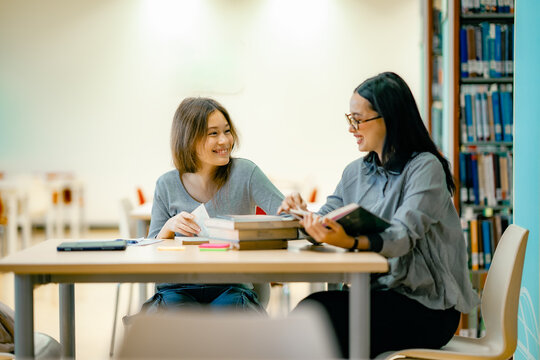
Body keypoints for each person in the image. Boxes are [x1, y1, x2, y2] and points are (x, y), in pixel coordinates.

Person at [278, 72, 479, 358]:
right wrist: (296, 214)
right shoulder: (355, 173)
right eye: (350, 119)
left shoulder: (425, 168)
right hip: (376, 296)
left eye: (358, 120)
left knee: (318, 316)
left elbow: (402, 237)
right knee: (313, 314)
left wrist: (352, 242)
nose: (352, 128)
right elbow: (323, 216)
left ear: (389, 118)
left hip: (427, 308)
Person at [142, 97, 284, 313]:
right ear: (189, 139)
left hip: (232, 286)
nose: (225, 141)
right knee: (174, 318)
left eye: (227, 131)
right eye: (213, 133)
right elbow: (151, 251)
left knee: (228, 315)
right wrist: (169, 227)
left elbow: (287, 217)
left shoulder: (246, 173)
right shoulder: (166, 184)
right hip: (177, 288)